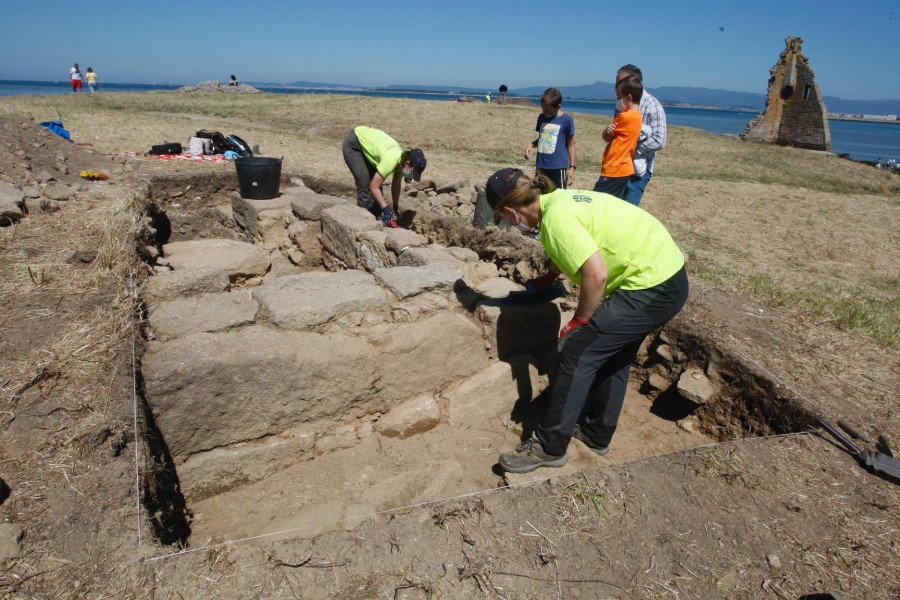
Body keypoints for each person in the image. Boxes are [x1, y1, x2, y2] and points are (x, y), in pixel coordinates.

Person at [485, 168, 688, 473]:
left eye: (505, 218)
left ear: (510, 211)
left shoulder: (555, 221)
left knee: (577, 350)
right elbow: (579, 242)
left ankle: (550, 446)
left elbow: (596, 273)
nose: (511, 224)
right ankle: (595, 435)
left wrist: (580, 320)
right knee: (614, 355)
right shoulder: (556, 200)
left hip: (651, 287)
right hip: (667, 275)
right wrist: (551, 275)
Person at [342, 126, 426, 228]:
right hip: (355, 144)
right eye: (413, 173)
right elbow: (373, 186)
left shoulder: (402, 163)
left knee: (378, 194)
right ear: (408, 163)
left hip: (370, 146)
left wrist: (395, 208)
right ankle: (361, 226)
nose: (411, 176)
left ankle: (377, 219)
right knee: (365, 186)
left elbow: (396, 185)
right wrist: (386, 210)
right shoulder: (391, 160)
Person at [616, 64, 667, 206]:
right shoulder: (621, 102)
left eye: (621, 82)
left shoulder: (652, 106)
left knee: (628, 211)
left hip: (637, 172)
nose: (617, 85)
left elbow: (659, 140)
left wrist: (632, 151)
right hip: (619, 167)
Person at [592, 76, 642, 199]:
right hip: (625, 168)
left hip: (615, 168)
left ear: (628, 98)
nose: (618, 100)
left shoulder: (624, 117)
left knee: (595, 201)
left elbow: (606, 137)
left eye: (619, 97)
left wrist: (606, 132)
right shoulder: (638, 116)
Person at [525, 88, 576, 189]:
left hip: (558, 168)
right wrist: (531, 145)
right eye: (543, 109)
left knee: (558, 197)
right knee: (538, 195)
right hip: (541, 166)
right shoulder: (542, 117)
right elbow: (543, 137)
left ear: (558, 106)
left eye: (548, 110)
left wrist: (572, 167)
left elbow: (571, 144)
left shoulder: (567, 120)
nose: (545, 112)